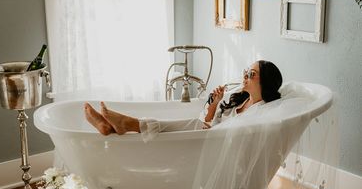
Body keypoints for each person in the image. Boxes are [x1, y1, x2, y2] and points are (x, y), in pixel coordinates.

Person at [84, 60, 283, 138]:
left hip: (213, 144)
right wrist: (214, 103)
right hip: (206, 136)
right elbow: (207, 120)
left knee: (190, 125)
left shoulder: (262, 111)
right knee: (189, 124)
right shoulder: (238, 99)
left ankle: (126, 124)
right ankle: (120, 125)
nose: (246, 74)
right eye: (246, 71)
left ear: (265, 81)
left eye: (252, 73)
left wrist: (209, 127)